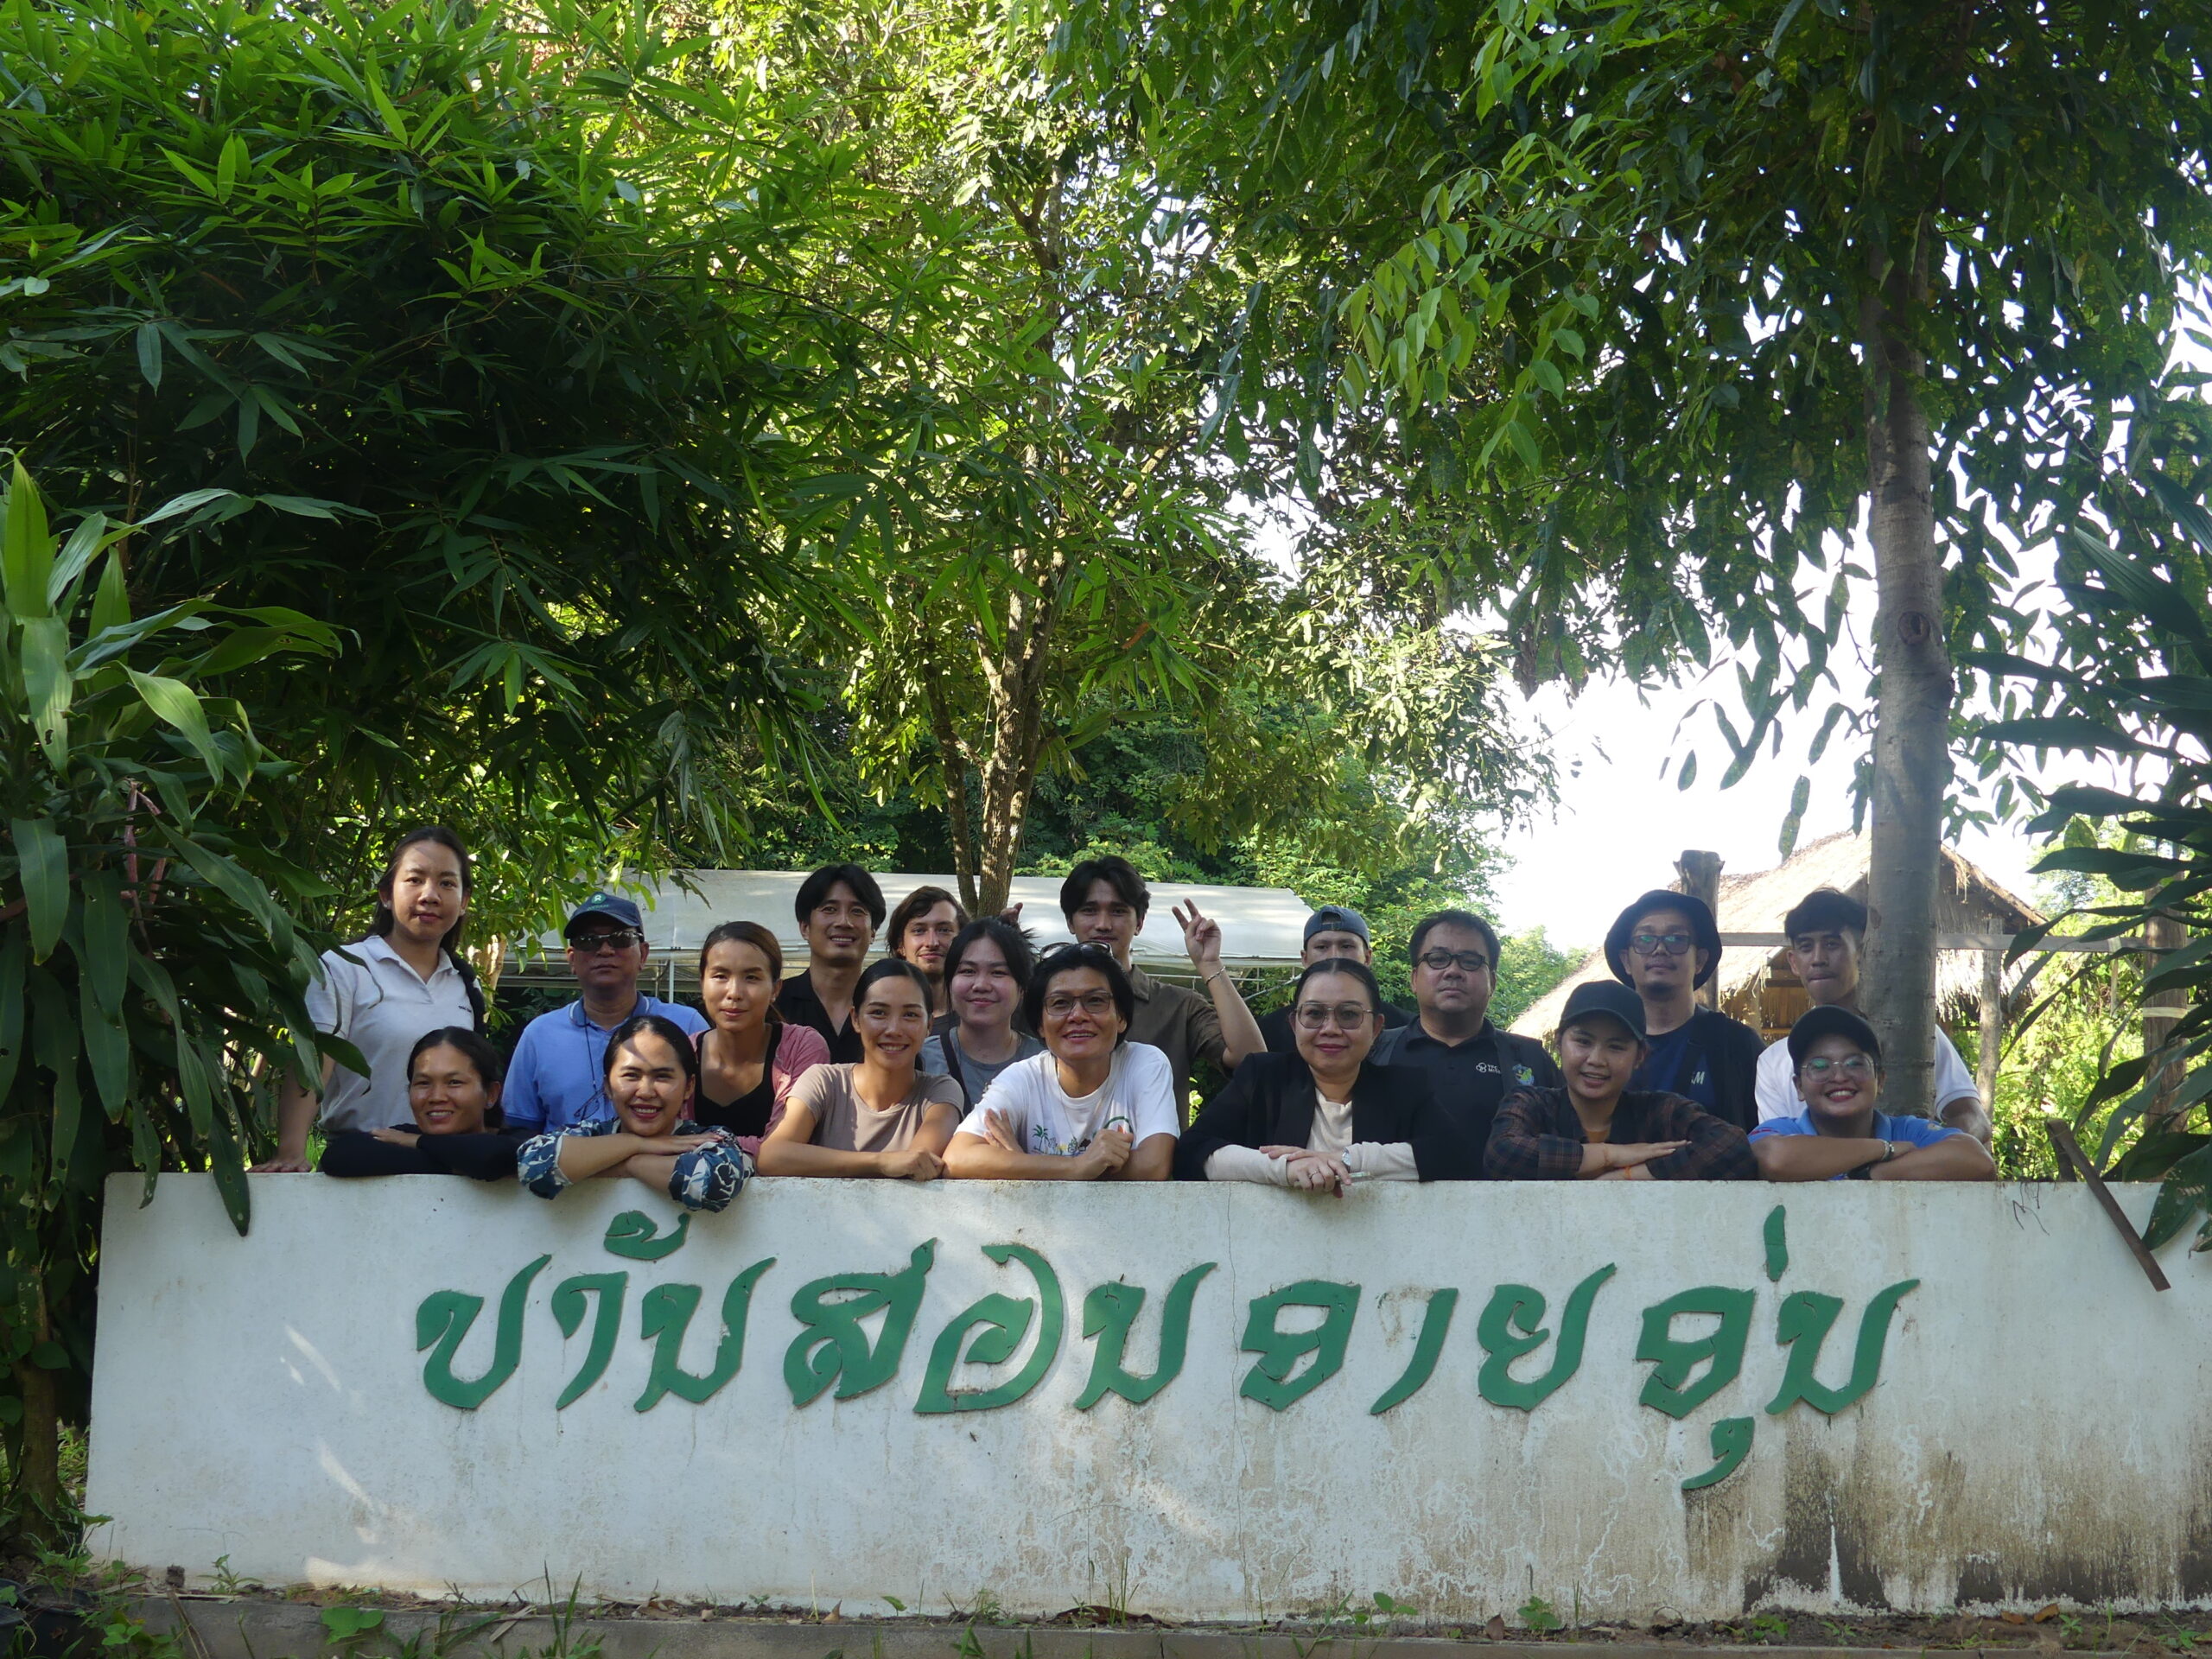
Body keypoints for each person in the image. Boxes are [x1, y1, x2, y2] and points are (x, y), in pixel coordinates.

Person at [256, 826, 488, 1171]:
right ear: (385, 894)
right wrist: (291, 1151)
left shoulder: (466, 984)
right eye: (414, 879)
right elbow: (313, 1062)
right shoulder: (344, 967)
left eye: (447, 883)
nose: (430, 895)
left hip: (447, 1164)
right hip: (365, 1159)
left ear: (464, 900)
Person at [1179, 959, 1473, 1189]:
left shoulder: (1405, 1087)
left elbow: (1454, 1156)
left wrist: (1345, 1160)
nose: (1330, 1028)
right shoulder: (1262, 1078)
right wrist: (1286, 1168)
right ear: (1295, 1024)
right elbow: (1193, 1152)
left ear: (1376, 1028)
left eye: (1348, 1014)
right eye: (1314, 1013)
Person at [1751, 887, 1993, 1142]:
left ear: (1863, 952)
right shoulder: (1774, 1062)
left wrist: (1930, 1156)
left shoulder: (1917, 1037)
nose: (1818, 959)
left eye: (1832, 944)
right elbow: (1775, 1152)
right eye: (1805, 947)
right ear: (1792, 961)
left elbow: (1974, 1119)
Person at [944, 944, 1179, 1181]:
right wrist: (1077, 1167)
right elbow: (958, 1157)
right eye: (1060, 1003)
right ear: (1040, 1026)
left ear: (1121, 1018)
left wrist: (1023, 1164)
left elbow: (1154, 1166)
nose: (1077, 1016)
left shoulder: (1145, 1063)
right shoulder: (1022, 1078)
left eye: (1095, 1001)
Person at [1058, 855, 1263, 1117]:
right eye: (1089, 910)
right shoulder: (1047, 1005)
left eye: (1118, 911)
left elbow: (1252, 1059)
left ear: (1140, 922)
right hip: (1062, 1158)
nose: (1103, 924)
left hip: (1160, 1156)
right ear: (1070, 922)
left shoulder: (1177, 1006)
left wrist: (1210, 963)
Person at [1486, 982, 1755, 1180]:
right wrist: (1610, 1154)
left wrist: (1627, 1175)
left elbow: (1732, 1145)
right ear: (1559, 1043)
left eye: (1616, 1047)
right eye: (1583, 1041)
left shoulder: (1661, 1111)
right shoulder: (1531, 1103)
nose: (1596, 1059)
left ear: (1639, 1057)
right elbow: (1503, 1153)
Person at [1370, 909, 1562, 1173]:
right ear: (1414, 979)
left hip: (1508, 1211)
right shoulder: (1374, 1052)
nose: (1453, 971)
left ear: (1492, 982)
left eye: (1470, 961)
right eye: (1438, 959)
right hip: (1392, 1210)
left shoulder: (1529, 1058)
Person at [501, 893, 707, 1136]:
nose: (605, 950)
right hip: (569, 1171)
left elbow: (709, 1114)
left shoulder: (687, 1025)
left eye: (620, 938)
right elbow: (519, 1130)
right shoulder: (539, 1034)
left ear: (643, 954)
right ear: (572, 959)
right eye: (588, 940)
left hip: (663, 1170)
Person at [756, 960, 965, 1179]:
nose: (893, 1029)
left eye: (910, 1015)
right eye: (878, 1013)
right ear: (855, 1019)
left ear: (929, 1025)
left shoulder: (940, 1091)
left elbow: (916, 1165)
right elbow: (772, 1156)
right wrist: (880, 1162)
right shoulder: (824, 1081)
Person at [517, 1014, 747, 1211]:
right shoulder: (591, 1133)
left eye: (662, 1076)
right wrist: (635, 1144)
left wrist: (628, 1164)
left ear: (689, 1086)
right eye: (631, 1075)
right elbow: (533, 1167)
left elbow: (713, 1185)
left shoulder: (712, 1141)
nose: (646, 1092)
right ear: (607, 1086)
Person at [1751, 1006, 1998, 1181]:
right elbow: (1774, 1159)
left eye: (1855, 1063)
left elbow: (1977, 1160)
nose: (1838, 1077)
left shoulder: (1908, 1131)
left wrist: (1869, 1175)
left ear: (1880, 1080)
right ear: (1799, 1087)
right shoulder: (1782, 1132)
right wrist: (1884, 1150)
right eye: (1819, 1066)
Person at [1602, 889, 1764, 1131]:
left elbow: (1763, 1135)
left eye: (1676, 939)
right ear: (1626, 960)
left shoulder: (1735, 1043)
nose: (1659, 949)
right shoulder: (1600, 1044)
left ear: (1699, 960)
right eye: (1645, 940)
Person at [693, 922, 831, 1158]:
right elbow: (661, 1141)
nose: (734, 992)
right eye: (720, 976)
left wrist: (692, 1145)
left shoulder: (802, 1047)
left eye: (752, 978)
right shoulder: (682, 1053)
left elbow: (782, 1151)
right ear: (702, 984)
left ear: (775, 989)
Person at [318, 1028, 525, 1180]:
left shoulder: (522, 1141)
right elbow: (340, 1156)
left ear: (491, 1094)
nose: (436, 1096)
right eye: (423, 1083)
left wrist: (418, 1142)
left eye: (454, 1082)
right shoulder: (399, 1136)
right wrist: (462, 1163)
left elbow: (495, 1158)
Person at [1256, 906, 1413, 1053]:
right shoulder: (1266, 1034)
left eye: (1346, 946)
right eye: (1322, 947)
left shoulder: (1408, 1029)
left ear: (1367, 957)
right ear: (1305, 958)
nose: (1334, 956)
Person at [921, 918, 1045, 1103]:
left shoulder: (1047, 1064)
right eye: (968, 971)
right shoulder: (920, 1060)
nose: (981, 985)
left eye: (998, 973)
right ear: (949, 982)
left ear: (1022, 988)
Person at [778, 863, 887, 1064]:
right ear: (805, 927)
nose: (844, 922)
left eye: (857, 911)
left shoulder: (888, 1009)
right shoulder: (775, 1004)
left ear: (873, 932)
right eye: (830, 909)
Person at [887, 884, 966, 1008]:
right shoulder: (878, 1018)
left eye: (944, 930)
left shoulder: (983, 1018)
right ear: (900, 944)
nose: (932, 943)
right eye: (919, 930)